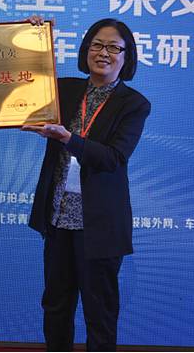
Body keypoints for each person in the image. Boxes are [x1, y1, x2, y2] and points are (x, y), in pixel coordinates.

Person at [23, 18, 150, 351]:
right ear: (85, 50)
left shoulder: (133, 104)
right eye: (97, 45)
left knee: (99, 313)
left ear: (126, 56)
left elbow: (113, 158)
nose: (103, 53)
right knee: (55, 306)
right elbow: (25, 78)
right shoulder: (64, 90)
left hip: (99, 225)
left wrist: (69, 139)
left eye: (113, 47)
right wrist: (33, 36)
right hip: (57, 217)